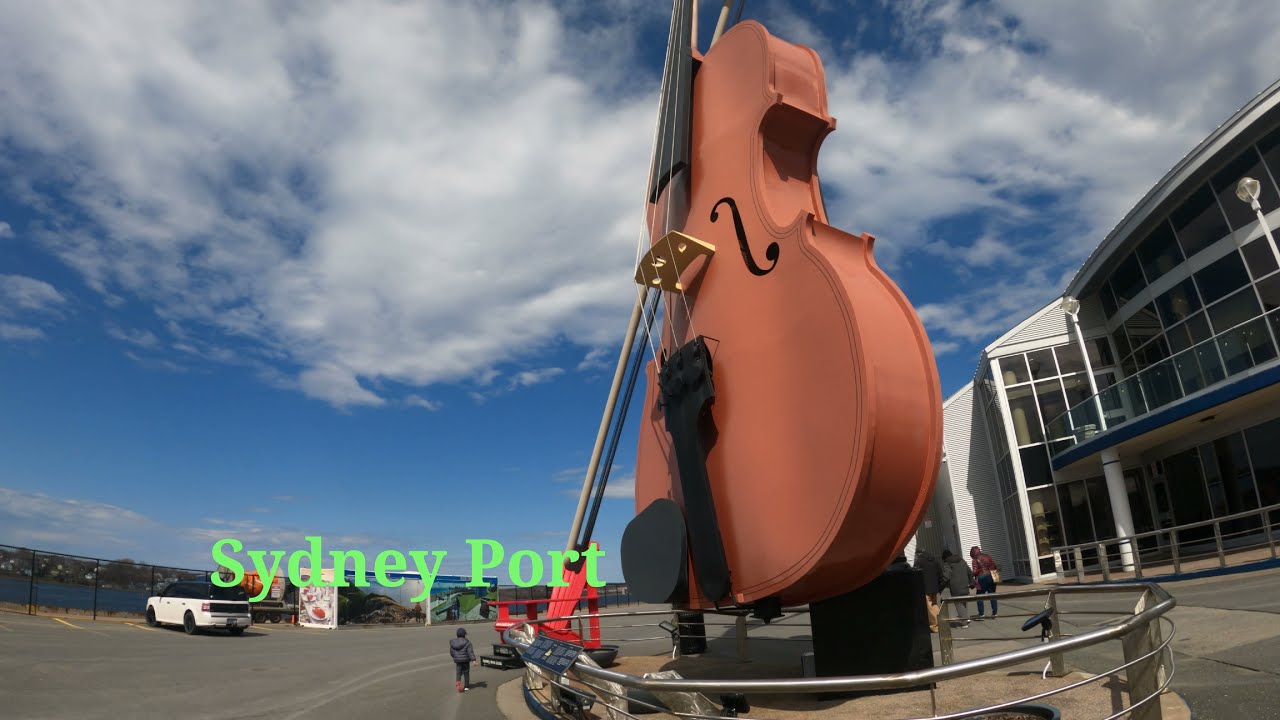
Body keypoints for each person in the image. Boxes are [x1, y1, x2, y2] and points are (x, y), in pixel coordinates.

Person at [913, 548, 945, 633]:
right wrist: (939, 585)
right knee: (934, 604)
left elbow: (916, 575)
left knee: (930, 607)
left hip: (925, 588)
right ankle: (941, 622)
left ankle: (934, 626)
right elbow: (940, 573)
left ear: (918, 554)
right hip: (934, 587)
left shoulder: (919, 562)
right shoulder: (934, 560)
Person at [941, 549, 972, 628]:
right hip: (965, 584)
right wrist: (971, 582)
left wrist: (941, 586)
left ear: (944, 557)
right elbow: (969, 571)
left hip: (955, 586)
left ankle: (964, 623)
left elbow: (947, 576)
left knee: (958, 604)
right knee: (964, 602)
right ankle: (965, 617)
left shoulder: (947, 563)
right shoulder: (961, 560)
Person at [970, 545, 999, 619]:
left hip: (981, 579)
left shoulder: (975, 559)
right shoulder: (987, 556)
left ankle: (981, 614)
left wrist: (972, 575)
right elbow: (994, 565)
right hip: (991, 577)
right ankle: (994, 614)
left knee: (979, 596)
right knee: (992, 595)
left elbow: (975, 571)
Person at [449, 627, 478, 692]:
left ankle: (458, 682)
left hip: (458, 661)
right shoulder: (467, 642)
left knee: (458, 672)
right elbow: (470, 652)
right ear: (464, 635)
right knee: (466, 672)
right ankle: (466, 686)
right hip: (465, 661)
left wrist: (455, 657)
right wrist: (474, 660)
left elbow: (451, 652)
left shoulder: (453, 643)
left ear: (457, 635)